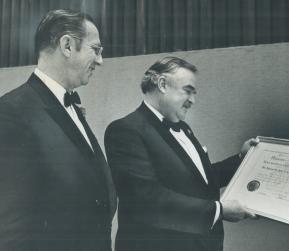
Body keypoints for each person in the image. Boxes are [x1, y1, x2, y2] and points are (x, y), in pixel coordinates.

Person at [104, 56, 256, 251]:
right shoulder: (125, 130)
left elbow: (203, 182)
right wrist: (219, 210)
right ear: (162, 84)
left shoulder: (184, 128)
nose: (192, 100)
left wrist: (242, 159)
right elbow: (146, 199)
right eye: (188, 91)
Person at [0, 9, 116, 251]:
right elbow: (12, 228)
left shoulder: (70, 105)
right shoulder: (11, 112)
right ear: (67, 45)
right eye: (95, 49)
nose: (100, 61)